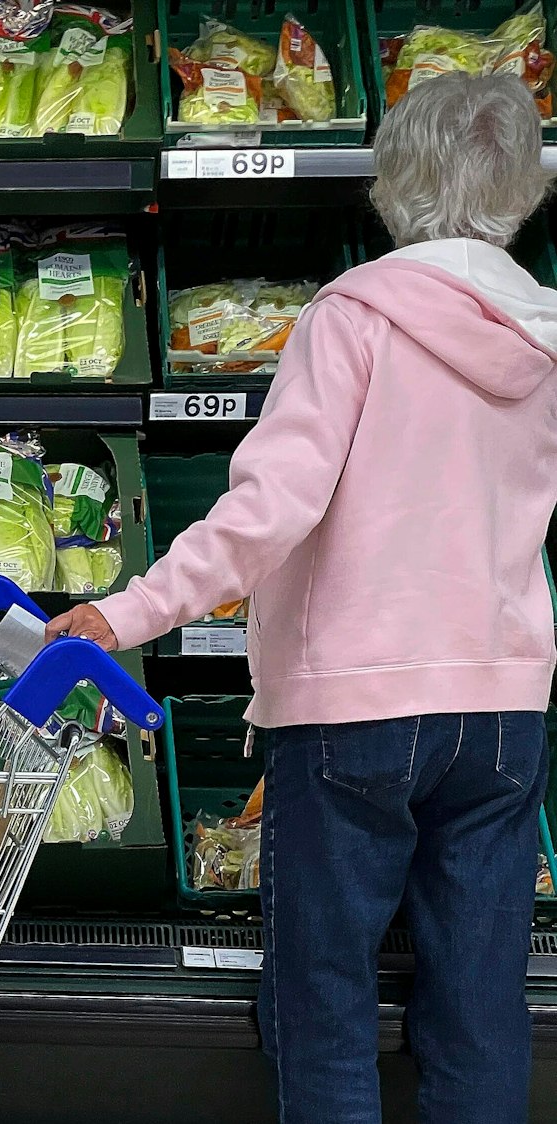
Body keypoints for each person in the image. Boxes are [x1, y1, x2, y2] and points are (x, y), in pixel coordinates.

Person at [47, 72, 557, 1124]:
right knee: (478, 1007)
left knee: (322, 1003)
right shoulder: (546, 334)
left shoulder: (353, 318)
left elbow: (268, 512)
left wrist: (126, 611)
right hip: (503, 711)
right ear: (523, 187)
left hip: (352, 713)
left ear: (391, 179)